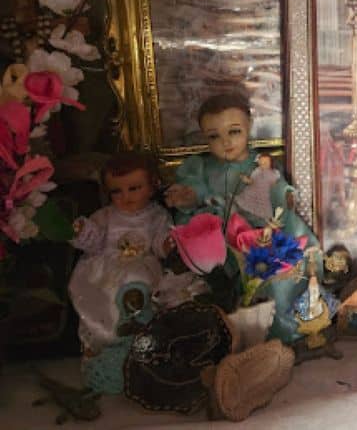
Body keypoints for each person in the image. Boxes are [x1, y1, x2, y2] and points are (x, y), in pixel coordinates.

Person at [164, 91, 320, 343]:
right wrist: (189, 197)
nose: (225, 142)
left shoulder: (260, 164)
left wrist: (286, 196)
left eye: (234, 131)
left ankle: (281, 333)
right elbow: (194, 197)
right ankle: (234, 336)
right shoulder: (201, 167)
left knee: (273, 279)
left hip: (256, 238)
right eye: (214, 136)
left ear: (249, 125)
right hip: (219, 244)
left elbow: (276, 188)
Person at [68, 152, 172, 357]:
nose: (126, 197)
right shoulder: (106, 215)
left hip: (142, 264)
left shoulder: (157, 215)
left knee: (139, 283)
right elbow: (95, 242)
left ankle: (139, 337)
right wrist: (83, 231)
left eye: (134, 188)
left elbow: (160, 240)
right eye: (117, 191)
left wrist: (167, 244)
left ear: (152, 186)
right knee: (102, 294)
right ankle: (105, 342)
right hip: (106, 266)